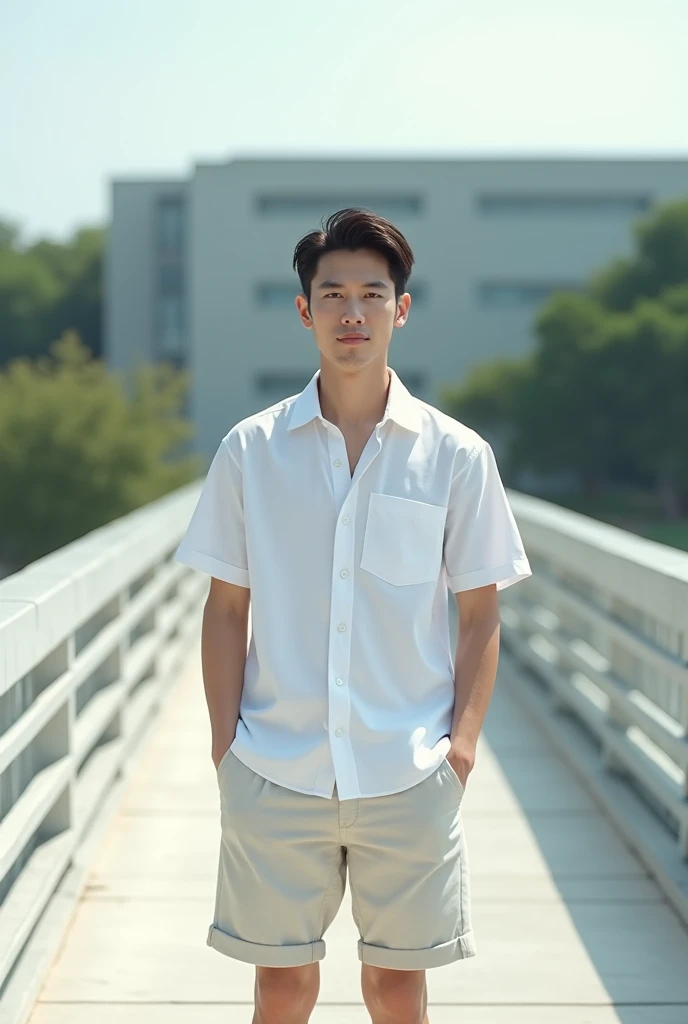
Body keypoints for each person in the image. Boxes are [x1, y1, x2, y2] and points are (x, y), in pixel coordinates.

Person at [174, 207, 532, 1024]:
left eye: (373, 294)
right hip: (276, 765)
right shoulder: (250, 451)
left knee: (399, 989)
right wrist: (226, 748)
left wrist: (461, 750)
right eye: (332, 294)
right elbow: (227, 608)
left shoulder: (455, 455)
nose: (352, 313)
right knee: (282, 988)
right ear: (304, 310)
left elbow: (480, 613)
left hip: (408, 770)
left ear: (401, 309)